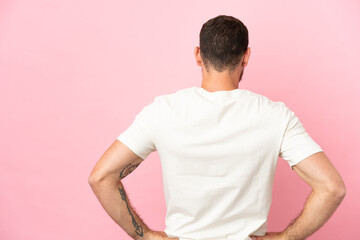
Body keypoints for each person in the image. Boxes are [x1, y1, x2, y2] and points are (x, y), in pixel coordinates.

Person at [88, 15, 346, 240]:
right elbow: (331, 188)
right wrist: (286, 238)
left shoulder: (162, 111)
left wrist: (142, 235)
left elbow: (101, 177)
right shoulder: (275, 116)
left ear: (199, 55)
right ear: (246, 57)